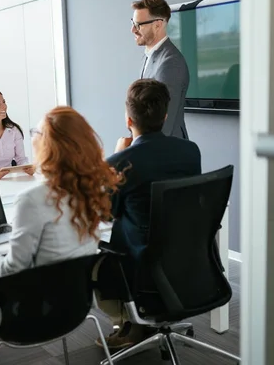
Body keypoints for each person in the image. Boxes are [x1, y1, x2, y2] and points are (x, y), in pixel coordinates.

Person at [0, 106, 121, 364]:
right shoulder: (93, 190)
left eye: (36, 131)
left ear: (49, 146)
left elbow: (11, 269)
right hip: (74, 307)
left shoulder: (33, 199)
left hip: (25, 313)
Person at [95, 79, 201, 349]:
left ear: (129, 119)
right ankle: (135, 323)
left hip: (141, 266)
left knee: (96, 256)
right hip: (188, 262)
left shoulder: (121, 162)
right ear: (165, 116)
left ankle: (131, 322)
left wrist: (119, 156)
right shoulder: (191, 151)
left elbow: (106, 215)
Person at [132, 0, 190, 139]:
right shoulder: (149, 55)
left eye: (139, 25)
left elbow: (165, 123)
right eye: (133, 23)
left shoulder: (170, 62)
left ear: (158, 25)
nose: (133, 29)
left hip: (167, 152)